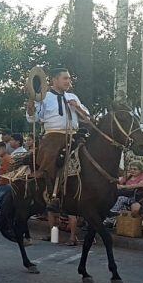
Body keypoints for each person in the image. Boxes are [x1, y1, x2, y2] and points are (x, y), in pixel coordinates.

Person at [26, 68, 90, 211]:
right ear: (54, 80)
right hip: (54, 136)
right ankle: (51, 193)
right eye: (65, 78)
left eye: (69, 78)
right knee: (53, 157)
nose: (68, 81)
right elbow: (34, 118)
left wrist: (78, 107)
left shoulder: (73, 96)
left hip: (75, 134)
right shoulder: (44, 97)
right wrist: (30, 109)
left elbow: (87, 118)